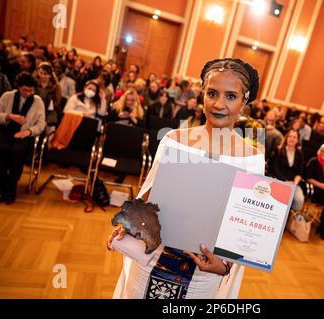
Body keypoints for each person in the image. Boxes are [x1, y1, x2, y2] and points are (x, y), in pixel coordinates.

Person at [107, 58, 264, 299]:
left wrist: (225, 267)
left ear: (244, 102)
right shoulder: (175, 140)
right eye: (212, 93)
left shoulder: (251, 158)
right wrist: (127, 225)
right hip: (152, 258)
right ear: (202, 95)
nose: (219, 104)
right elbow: (150, 193)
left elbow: (246, 227)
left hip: (203, 274)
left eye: (231, 96)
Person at [0, 72, 46, 204]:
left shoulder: (38, 101)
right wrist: (10, 116)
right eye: (25, 90)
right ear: (18, 87)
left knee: (16, 152)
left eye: (31, 90)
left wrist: (28, 131)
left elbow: (41, 124)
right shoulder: (7, 96)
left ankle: (11, 188)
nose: (28, 93)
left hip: (24, 135)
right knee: (2, 150)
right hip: (5, 131)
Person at [269, 129, 305, 212]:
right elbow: (274, 168)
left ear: (297, 140)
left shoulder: (299, 154)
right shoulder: (278, 150)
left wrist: (295, 183)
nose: (291, 139)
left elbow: (300, 172)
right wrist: (285, 181)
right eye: (290, 136)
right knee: (283, 198)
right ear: (286, 138)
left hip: (293, 183)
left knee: (299, 200)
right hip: (279, 181)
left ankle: (289, 215)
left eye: (294, 137)